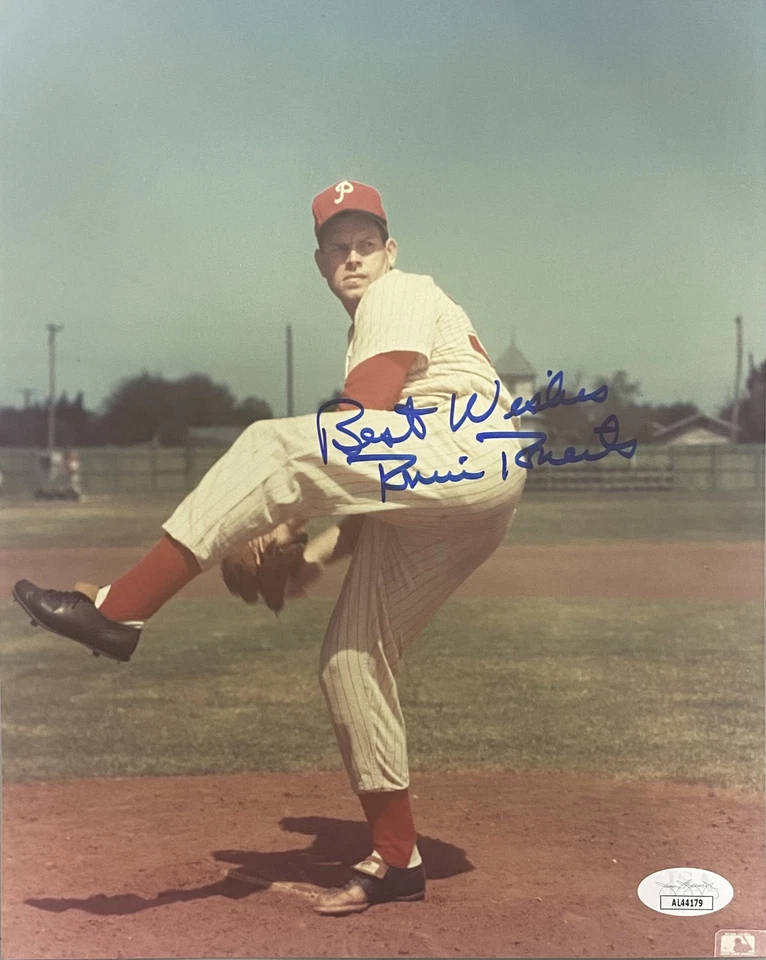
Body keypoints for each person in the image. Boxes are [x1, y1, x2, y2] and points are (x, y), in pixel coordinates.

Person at [13, 180, 527, 916]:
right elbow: (374, 475)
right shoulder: (380, 309)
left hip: (470, 449)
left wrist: (279, 521)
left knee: (273, 445)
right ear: (320, 262)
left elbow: (364, 410)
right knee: (352, 659)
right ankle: (397, 856)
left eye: (366, 243)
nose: (354, 258)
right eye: (338, 247)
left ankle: (119, 611)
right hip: (465, 491)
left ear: (391, 249)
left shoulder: (401, 292)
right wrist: (310, 557)